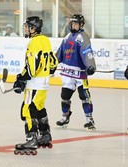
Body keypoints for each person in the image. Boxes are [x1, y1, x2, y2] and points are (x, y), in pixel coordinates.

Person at [12, 16, 58, 155]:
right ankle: (45, 134)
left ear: (33, 29)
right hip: (43, 82)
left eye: (27, 27)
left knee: (28, 109)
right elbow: (53, 63)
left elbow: (32, 68)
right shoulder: (45, 40)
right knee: (39, 107)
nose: (25, 29)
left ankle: (31, 138)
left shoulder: (33, 42)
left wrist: (22, 78)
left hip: (34, 83)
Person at [55, 14, 96, 131]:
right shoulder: (67, 37)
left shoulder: (83, 37)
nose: (74, 25)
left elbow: (87, 52)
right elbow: (60, 52)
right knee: (64, 96)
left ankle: (89, 120)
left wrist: (91, 65)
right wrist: (52, 64)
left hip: (80, 73)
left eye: (76, 24)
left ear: (81, 25)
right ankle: (65, 117)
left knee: (84, 96)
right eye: (73, 23)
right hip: (67, 72)